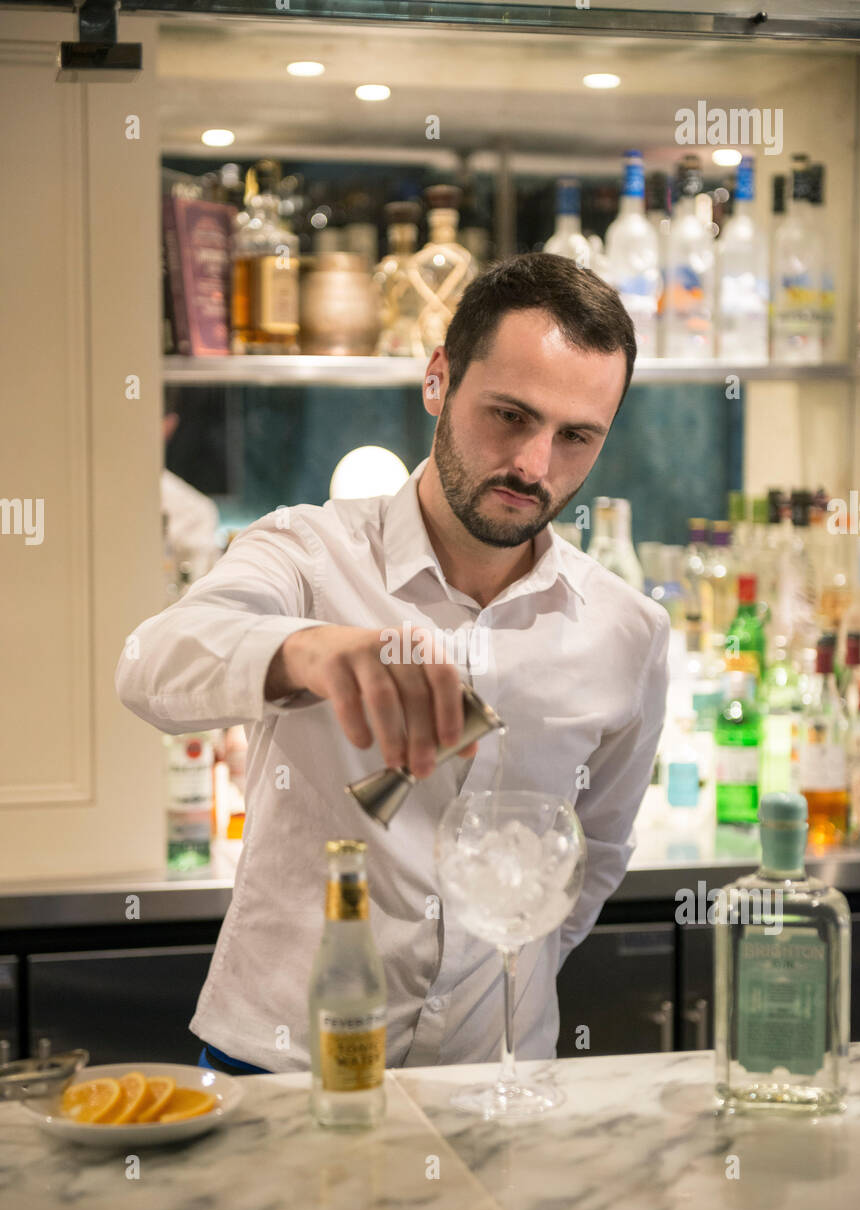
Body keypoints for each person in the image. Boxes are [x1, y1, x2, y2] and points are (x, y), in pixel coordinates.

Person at [115, 253, 669, 1075]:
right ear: (437, 378)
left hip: (498, 1081)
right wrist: (304, 650)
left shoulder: (628, 631)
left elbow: (592, 859)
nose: (533, 465)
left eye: (576, 436)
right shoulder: (306, 552)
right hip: (283, 1067)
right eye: (510, 415)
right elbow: (149, 667)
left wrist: (513, 977)